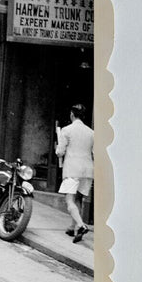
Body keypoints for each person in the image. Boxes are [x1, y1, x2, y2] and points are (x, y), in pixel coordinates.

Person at [55, 103, 94, 243]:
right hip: (88, 170)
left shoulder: (66, 130)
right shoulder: (91, 132)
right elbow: (94, 153)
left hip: (73, 169)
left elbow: (60, 152)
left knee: (69, 200)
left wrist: (57, 149)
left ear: (72, 114)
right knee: (78, 199)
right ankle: (72, 227)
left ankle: (80, 225)